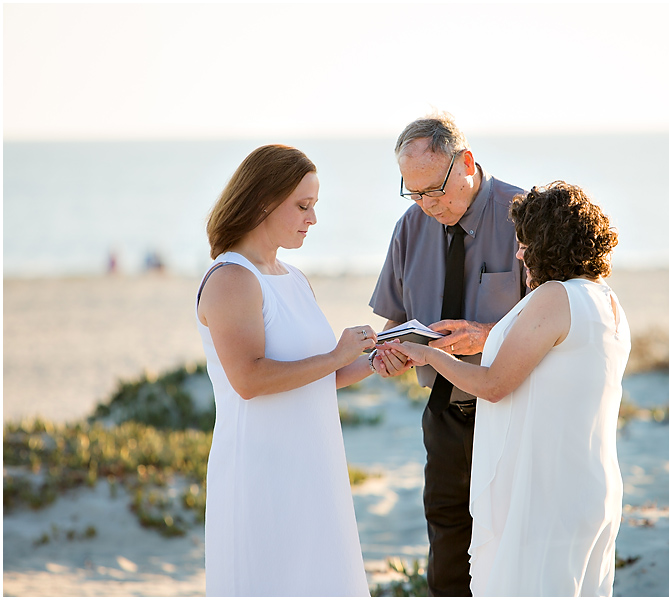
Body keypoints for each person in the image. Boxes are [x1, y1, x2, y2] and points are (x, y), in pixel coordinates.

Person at [383, 181, 631, 596]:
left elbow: (493, 384)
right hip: (587, 482)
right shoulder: (605, 298)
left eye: (525, 242)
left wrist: (429, 356)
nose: (519, 253)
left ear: (549, 243)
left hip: (547, 490)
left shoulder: (555, 297)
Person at [195, 144, 373, 596]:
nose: (312, 219)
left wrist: (372, 363)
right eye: (303, 206)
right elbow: (249, 379)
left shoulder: (293, 278)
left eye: (314, 206)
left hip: (315, 469)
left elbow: (317, 379)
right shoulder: (231, 279)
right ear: (263, 202)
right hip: (263, 476)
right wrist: (337, 354)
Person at [368, 113, 527, 596]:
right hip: (443, 412)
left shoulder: (525, 215)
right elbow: (392, 323)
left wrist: (487, 334)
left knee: (512, 540)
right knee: (447, 545)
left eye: (434, 190)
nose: (427, 205)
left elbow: (565, 314)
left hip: (515, 409)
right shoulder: (410, 227)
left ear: (467, 163)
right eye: (413, 193)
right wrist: (389, 352)